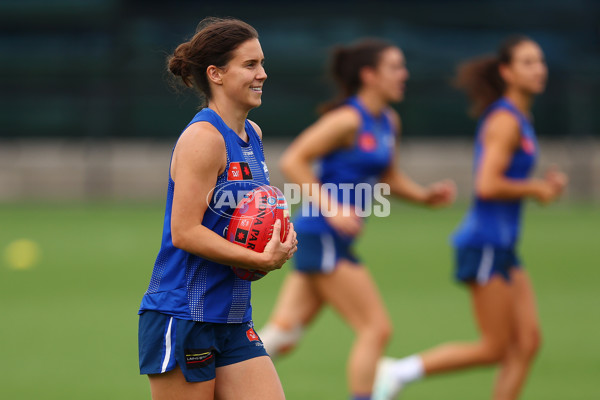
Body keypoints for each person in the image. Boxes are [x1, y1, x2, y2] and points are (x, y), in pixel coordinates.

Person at [258, 38, 456, 400]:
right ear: (369, 75)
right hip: (322, 233)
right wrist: (332, 207)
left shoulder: (388, 121)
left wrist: (424, 196)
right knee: (376, 329)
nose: (404, 74)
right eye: (395, 67)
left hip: (331, 238)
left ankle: (216, 377)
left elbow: (389, 177)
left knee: (284, 334)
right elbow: (294, 160)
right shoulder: (347, 119)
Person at [373, 36, 568, 400]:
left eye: (539, 60)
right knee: (495, 348)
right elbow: (487, 184)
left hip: (505, 244)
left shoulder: (521, 116)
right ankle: (399, 371)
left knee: (527, 343)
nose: (539, 68)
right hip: (485, 243)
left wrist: (542, 188)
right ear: (506, 72)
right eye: (527, 62)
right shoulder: (505, 120)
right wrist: (536, 189)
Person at [137, 17, 297, 400]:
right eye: (250, 65)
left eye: (261, 63)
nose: (263, 74)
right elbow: (185, 231)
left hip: (233, 316)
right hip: (185, 314)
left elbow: (246, 216)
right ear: (216, 74)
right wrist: (255, 258)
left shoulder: (252, 135)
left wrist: (275, 238)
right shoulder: (203, 138)